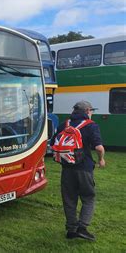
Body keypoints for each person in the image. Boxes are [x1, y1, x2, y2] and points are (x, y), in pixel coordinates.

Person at [51, 100, 106, 241]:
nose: (92, 113)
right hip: (84, 169)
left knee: (69, 200)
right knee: (88, 198)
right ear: (87, 111)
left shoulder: (64, 125)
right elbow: (99, 148)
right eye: (91, 111)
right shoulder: (91, 125)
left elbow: (53, 143)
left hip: (67, 168)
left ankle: (71, 230)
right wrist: (101, 159)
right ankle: (82, 228)